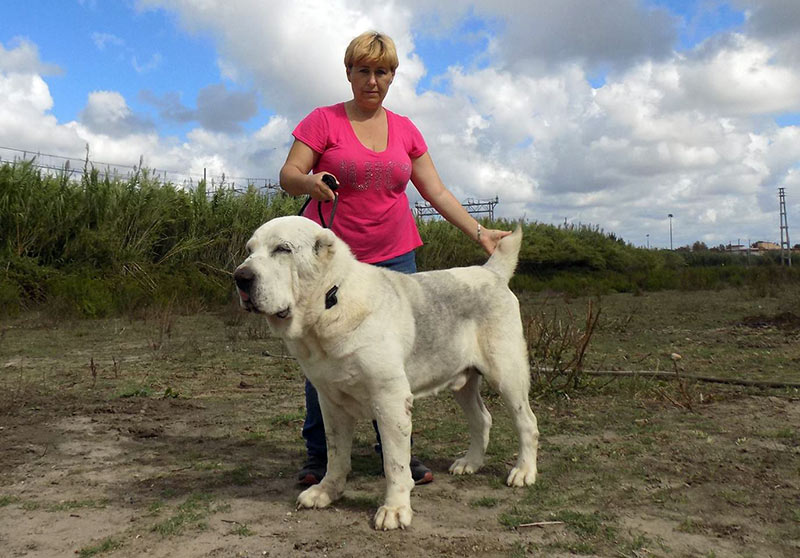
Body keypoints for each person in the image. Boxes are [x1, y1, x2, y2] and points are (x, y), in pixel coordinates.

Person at [278, 30, 511, 487]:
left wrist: (480, 233)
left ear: (391, 76)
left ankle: (395, 453)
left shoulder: (405, 129)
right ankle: (319, 456)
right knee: (321, 355)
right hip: (333, 265)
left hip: (395, 259)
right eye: (362, 71)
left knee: (394, 362)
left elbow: (435, 190)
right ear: (348, 73)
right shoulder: (322, 121)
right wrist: (312, 181)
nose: (372, 81)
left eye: (381, 72)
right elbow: (289, 174)